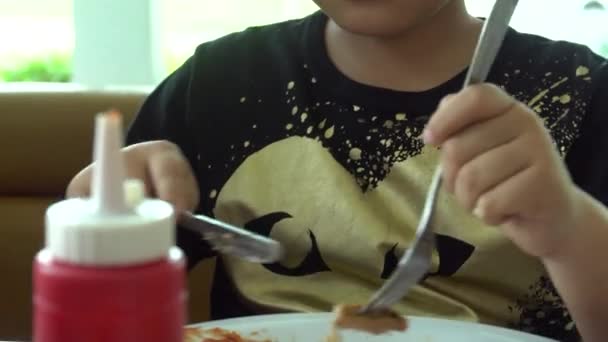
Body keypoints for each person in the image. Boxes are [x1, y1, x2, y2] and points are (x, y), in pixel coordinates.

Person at [67, 1, 608, 341]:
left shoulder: (580, 91)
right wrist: (107, 218)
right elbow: (103, 313)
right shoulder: (220, 82)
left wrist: (567, 226)